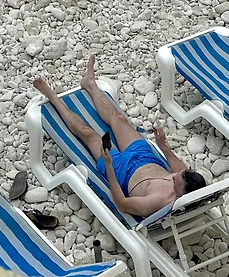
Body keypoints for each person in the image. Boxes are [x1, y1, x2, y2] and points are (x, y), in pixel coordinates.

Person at [32, 59, 206, 215]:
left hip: (121, 170)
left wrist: (109, 166)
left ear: (181, 194)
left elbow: (122, 203)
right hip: (146, 157)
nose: (173, 176)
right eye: (178, 175)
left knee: (89, 134)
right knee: (119, 119)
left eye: (176, 180)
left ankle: (52, 97)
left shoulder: (157, 202)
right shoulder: (188, 183)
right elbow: (179, 169)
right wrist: (162, 146)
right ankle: (90, 83)